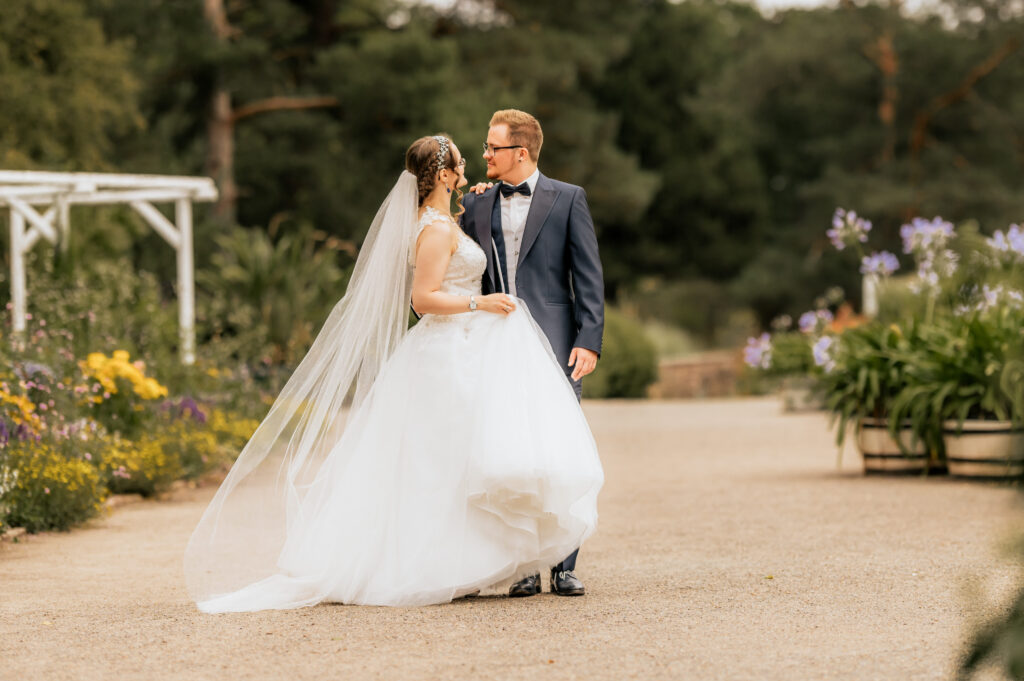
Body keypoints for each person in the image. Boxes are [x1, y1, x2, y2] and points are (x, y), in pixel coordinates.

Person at [184, 134, 604, 613]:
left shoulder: (452, 219)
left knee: (455, 460)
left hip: (467, 347)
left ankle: (468, 562)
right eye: (465, 161)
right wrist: (478, 301)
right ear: (445, 175)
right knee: (435, 462)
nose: (475, 163)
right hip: (446, 349)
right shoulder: (436, 229)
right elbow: (421, 300)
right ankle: (431, 564)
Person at [460, 110, 604, 598]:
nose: (485, 155)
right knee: (509, 455)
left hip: (557, 342)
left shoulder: (568, 199)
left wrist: (589, 339)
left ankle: (564, 565)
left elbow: (587, 276)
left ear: (520, 152)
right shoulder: (474, 204)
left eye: (492, 147)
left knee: (558, 453)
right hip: (495, 344)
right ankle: (522, 563)